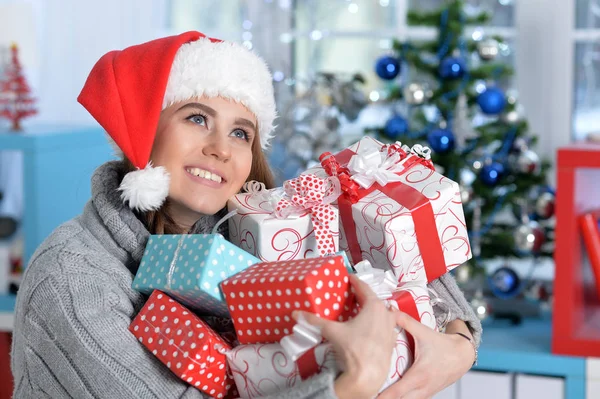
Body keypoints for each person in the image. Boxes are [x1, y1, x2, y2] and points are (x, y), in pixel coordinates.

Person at [11, 31, 481, 399]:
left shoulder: (253, 231)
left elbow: (409, 262)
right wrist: (350, 385)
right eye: (197, 118)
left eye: (241, 133)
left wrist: (457, 344)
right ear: (144, 132)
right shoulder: (71, 277)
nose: (220, 149)